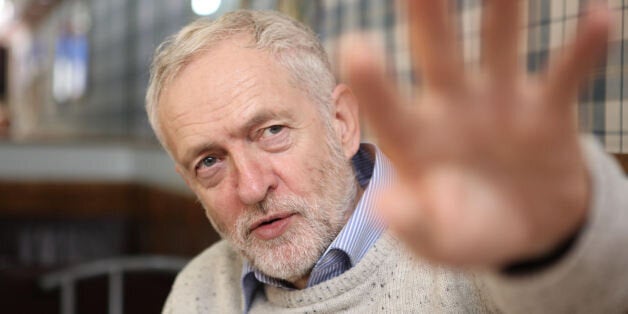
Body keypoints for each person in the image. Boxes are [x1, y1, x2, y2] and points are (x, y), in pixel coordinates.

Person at [145, 2, 628, 313]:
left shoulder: (470, 250)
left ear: (342, 123)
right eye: (209, 162)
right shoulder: (198, 292)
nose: (251, 187)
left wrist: (558, 240)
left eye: (271, 132)